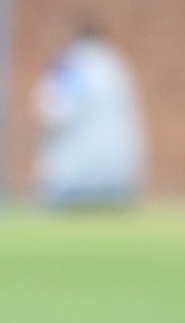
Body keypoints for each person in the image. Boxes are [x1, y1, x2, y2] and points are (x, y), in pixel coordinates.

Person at [31, 19, 146, 208]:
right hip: (121, 181)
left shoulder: (71, 65)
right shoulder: (115, 63)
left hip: (75, 182)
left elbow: (52, 114)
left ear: (70, 37)